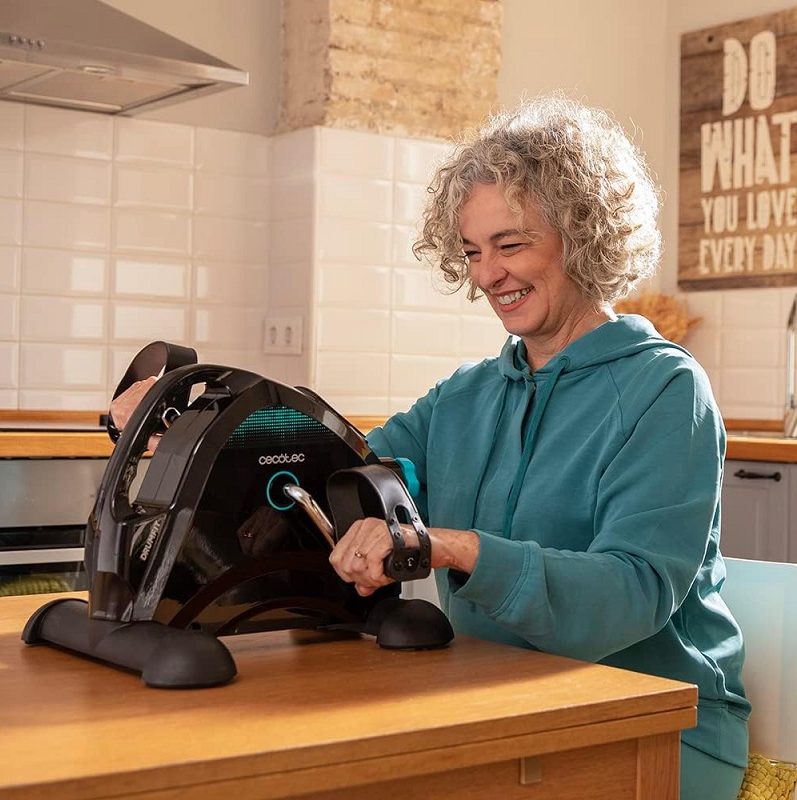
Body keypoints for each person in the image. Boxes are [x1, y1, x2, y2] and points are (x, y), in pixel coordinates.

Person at [110, 95, 749, 800]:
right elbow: (335, 474)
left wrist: (455, 548)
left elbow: (631, 594)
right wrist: (195, 422)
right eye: (473, 252)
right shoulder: (466, 396)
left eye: (510, 245)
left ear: (583, 236)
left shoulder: (666, 389)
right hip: (495, 696)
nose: (487, 274)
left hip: (656, 723)